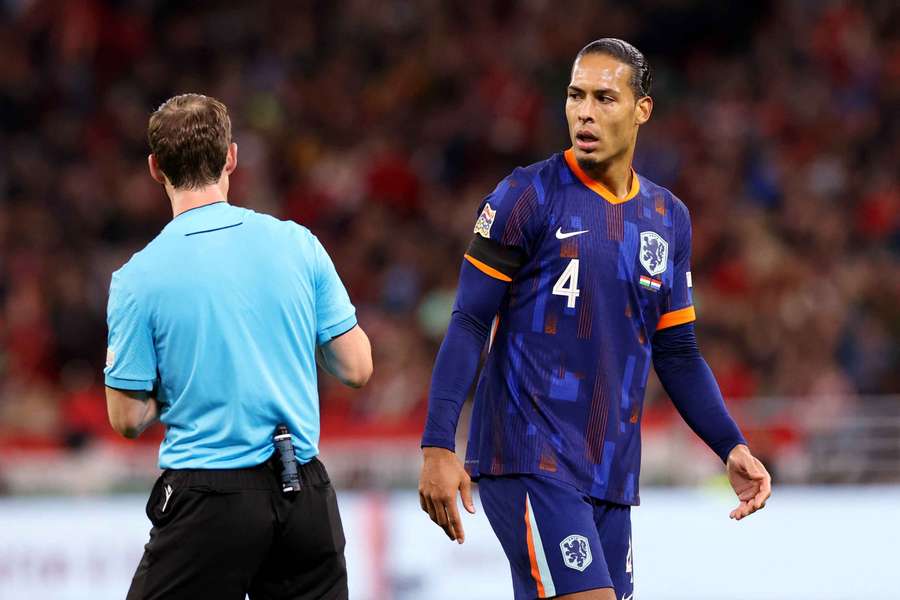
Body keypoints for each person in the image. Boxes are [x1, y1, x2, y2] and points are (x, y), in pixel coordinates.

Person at [418, 39, 771, 600]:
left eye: (605, 97)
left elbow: (677, 353)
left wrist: (730, 444)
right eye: (575, 95)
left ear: (642, 109)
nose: (585, 111)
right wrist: (438, 444)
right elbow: (467, 321)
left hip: (610, 472)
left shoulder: (667, 218)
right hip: (527, 454)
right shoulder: (525, 196)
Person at [104, 93, 372, 600]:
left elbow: (126, 418)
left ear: (155, 168)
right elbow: (357, 367)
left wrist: (189, 380)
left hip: (208, 502)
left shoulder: (137, 278)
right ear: (230, 157)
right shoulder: (298, 244)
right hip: (303, 494)